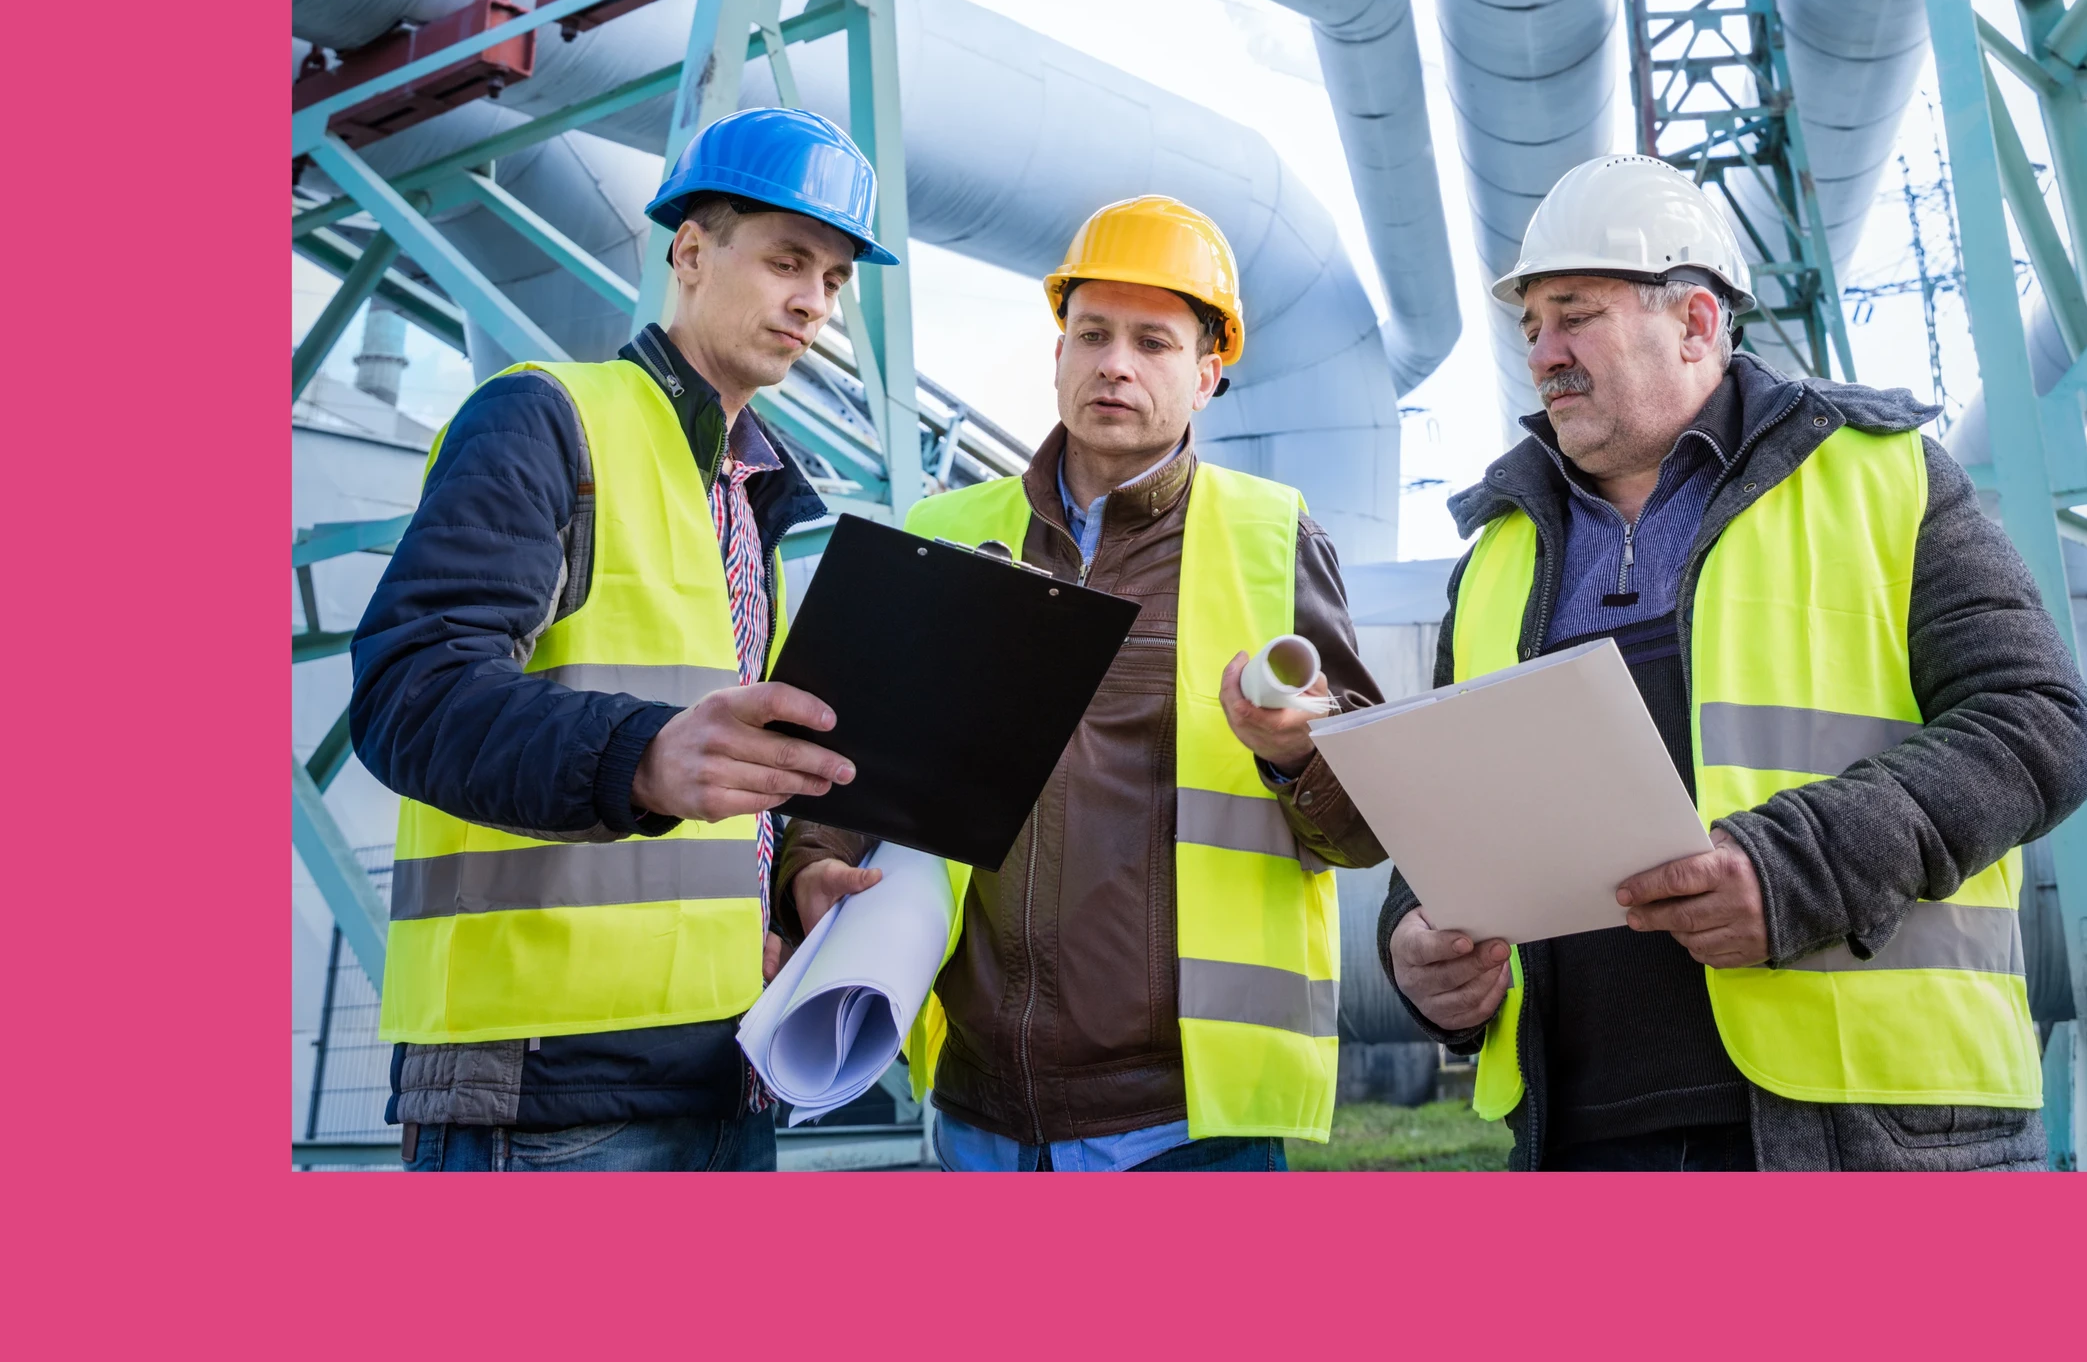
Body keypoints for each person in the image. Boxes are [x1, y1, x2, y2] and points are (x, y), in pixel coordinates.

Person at [1378, 154, 2087, 1172]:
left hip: (1872, 1135)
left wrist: (1792, 867)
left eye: (1575, 313)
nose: (1542, 353)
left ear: (1695, 323)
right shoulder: (1496, 555)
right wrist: (1414, 944)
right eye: (1530, 325)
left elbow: (2039, 724)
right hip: (1579, 1139)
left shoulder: (1878, 474)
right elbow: (1451, 818)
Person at [772, 195, 1387, 1171]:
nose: (1115, 363)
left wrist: (1293, 752)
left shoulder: (1274, 540)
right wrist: (810, 860)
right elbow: (835, 761)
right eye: (1092, 332)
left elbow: (1362, 828)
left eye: (1152, 340)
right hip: (978, 1110)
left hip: (1188, 1127)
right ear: (1058, 350)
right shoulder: (945, 530)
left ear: (1206, 373)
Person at [348, 106, 894, 1172]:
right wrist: (641, 753)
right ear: (689, 251)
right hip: (548, 1089)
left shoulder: (748, 505)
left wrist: (792, 891)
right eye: (788, 259)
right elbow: (407, 694)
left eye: (832, 278)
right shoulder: (546, 421)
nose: (811, 301)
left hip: (728, 1066)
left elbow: (716, 791)